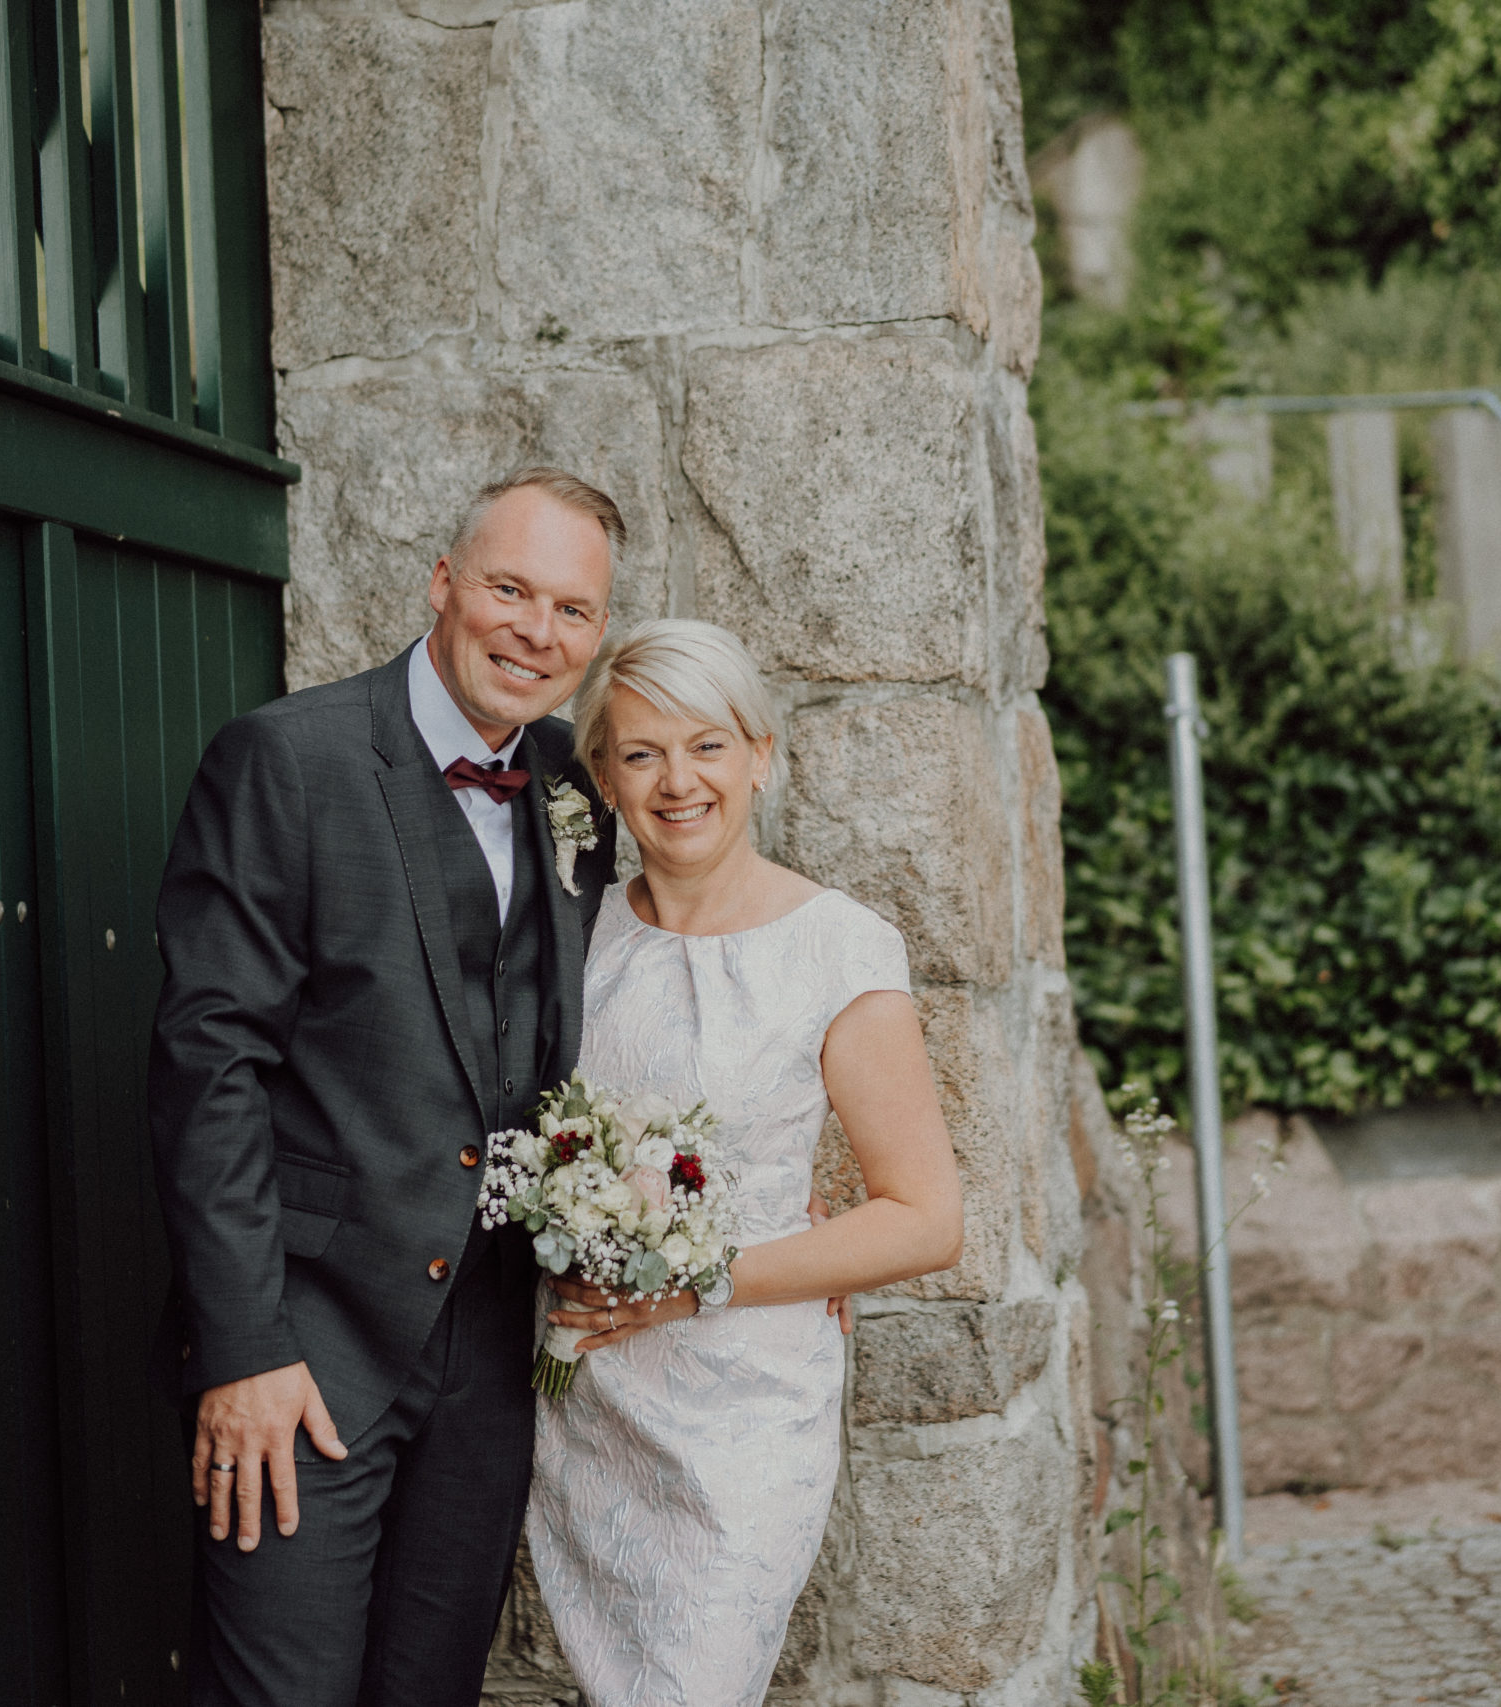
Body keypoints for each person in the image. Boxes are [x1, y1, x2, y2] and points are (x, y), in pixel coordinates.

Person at [146, 467, 625, 1706]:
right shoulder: (287, 760)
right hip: (306, 1350)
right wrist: (243, 1350)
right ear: (442, 583)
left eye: (572, 610)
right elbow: (211, 1067)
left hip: (489, 1350)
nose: (536, 630)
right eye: (510, 588)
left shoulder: (575, 786)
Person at [526, 619, 965, 1707]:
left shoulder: (839, 947)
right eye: (641, 754)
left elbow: (923, 1217)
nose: (679, 781)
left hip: (747, 1407)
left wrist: (701, 1279)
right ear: (605, 780)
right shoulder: (570, 937)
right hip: (583, 1393)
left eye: (708, 746)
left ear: (760, 754)